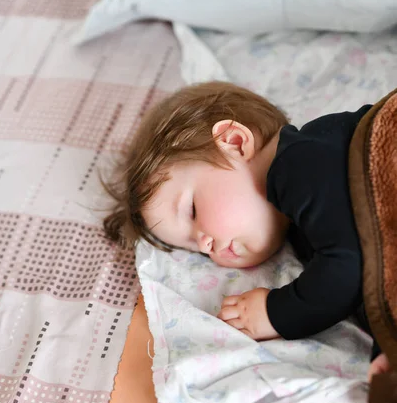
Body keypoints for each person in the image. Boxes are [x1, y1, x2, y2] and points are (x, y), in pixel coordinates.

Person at [103, 81, 390, 381]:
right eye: (191, 247)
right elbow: (379, 265)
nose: (205, 244)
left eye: (192, 212)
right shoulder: (300, 225)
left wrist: (276, 313)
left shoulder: (301, 161)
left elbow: (349, 268)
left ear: (235, 143)